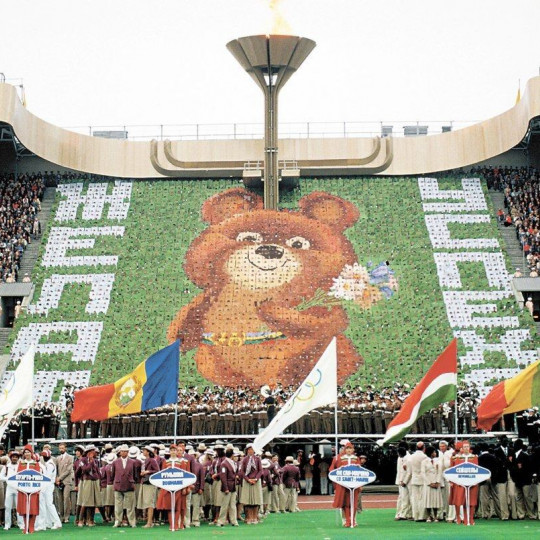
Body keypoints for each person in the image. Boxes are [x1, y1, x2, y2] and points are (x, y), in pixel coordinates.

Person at [156, 444, 192, 530]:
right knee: (169, 507)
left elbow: (184, 475)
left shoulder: (181, 462)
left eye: (174, 450)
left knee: (178, 507)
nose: (173, 452)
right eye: (171, 450)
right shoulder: (166, 462)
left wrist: (184, 488)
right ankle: (171, 525)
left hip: (178, 488)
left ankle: (176, 525)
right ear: (169, 451)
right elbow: (163, 474)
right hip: (168, 488)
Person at [330, 441, 361, 528]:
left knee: (354, 503)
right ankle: (346, 520)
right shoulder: (339, 458)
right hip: (343, 484)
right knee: (345, 503)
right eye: (347, 448)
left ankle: (353, 520)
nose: (349, 450)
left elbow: (360, 472)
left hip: (354, 484)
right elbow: (333, 471)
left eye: (350, 448)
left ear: (353, 449)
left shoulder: (356, 458)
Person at [449, 440, 478, 525]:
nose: (466, 448)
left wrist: (475, 481)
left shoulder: (474, 457)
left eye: (467, 447)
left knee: (471, 501)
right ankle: (458, 517)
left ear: (469, 447)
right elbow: (452, 469)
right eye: (464, 447)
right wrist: (451, 481)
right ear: (461, 448)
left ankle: (470, 518)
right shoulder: (456, 458)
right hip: (459, 482)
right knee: (459, 500)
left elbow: (476, 469)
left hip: (472, 482)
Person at [110, 444, 137, 528]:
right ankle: (118, 521)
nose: (123, 453)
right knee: (118, 506)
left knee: (130, 506)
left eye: (125, 451)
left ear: (128, 452)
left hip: (129, 485)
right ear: (120, 452)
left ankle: (132, 522)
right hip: (118, 485)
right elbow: (112, 474)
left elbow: (135, 475)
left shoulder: (133, 462)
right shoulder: (115, 462)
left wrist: (132, 481)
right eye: (122, 451)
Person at [35, 450, 62, 530]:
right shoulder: (48, 463)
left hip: (48, 485)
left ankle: (57, 522)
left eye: (45, 456)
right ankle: (49, 523)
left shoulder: (50, 464)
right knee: (46, 504)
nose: (44, 457)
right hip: (47, 485)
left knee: (49, 504)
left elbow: (47, 477)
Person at [16, 445, 40, 534]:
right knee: (24, 508)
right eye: (25, 452)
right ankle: (26, 527)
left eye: (28, 452)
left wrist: (38, 489)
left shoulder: (36, 463)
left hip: (33, 489)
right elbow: (18, 475)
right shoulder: (21, 463)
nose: (27, 454)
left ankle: (31, 526)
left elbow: (38, 476)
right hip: (23, 489)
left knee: (32, 508)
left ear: (31, 453)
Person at [78, 444, 102, 527]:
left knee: (93, 502)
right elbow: (85, 470)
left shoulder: (96, 460)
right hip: (87, 481)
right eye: (94, 451)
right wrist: (91, 462)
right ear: (90, 452)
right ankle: (80, 520)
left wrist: (100, 481)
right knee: (85, 501)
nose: (95, 452)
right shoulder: (82, 460)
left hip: (95, 481)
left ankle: (90, 520)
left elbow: (97, 472)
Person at [239, 443, 262, 524]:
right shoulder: (244, 459)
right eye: (249, 449)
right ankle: (248, 517)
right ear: (247, 450)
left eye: (252, 449)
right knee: (247, 501)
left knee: (256, 500)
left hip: (256, 481)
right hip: (247, 481)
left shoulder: (257, 459)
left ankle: (255, 517)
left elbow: (260, 470)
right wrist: (248, 479)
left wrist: (256, 479)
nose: (250, 451)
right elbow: (242, 471)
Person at [0, 450, 24, 530]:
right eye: (13, 457)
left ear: (18, 458)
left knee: (19, 507)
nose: (14, 458)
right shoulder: (6, 467)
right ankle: (7, 524)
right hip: (9, 488)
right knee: (7, 506)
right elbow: (1, 477)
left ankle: (21, 524)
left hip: (18, 488)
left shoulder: (21, 466)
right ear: (11, 458)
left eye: (16, 457)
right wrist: (7, 479)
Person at [138, 445, 159, 528]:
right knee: (147, 503)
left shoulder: (152, 460)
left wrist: (147, 471)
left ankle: (149, 522)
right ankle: (149, 521)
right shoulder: (145, 460)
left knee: (150, 504)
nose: (143, 451)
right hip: (145, 482)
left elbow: (157, 471)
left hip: (150, 484)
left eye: (144, 450)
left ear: (148, 452)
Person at [217, 447, 239, 527]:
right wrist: (226, 488)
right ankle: (221, 521)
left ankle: (234, 521)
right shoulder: (224, 463)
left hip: (233, 486)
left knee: (233, 505)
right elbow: (223, 477)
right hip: (227, 487)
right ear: (232, 455)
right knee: (224, 505)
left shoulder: (233, 463)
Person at [421, 445, 443, 523]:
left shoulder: (438, 461)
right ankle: (428, 516)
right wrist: (429, 483)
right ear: (430, 453)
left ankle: (436, 516)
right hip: (428, 483)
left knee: (435, 500)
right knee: (428, 500)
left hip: (436, 483)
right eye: (434, 452)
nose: (435, 453)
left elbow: (440, 472)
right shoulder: (424, 461)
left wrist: (437, 482)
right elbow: (423, 473)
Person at [408, 441, 427, 521]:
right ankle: (422, 516)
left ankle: (415, 515)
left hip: (414, 478)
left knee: (414, 498)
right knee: (422, 498)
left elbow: (409, 470)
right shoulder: (424, 457)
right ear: (424, 448)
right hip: (422, 479)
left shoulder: (411, 457)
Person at [55, 442, 74, 523]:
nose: (61, 449)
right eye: (60, 448)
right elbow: (55, 469)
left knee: (66, 498)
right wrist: (56, 479)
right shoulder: (57, 458)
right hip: (58, 482)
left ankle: (66, 517)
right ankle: (61, 516)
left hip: (66, 481)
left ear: (65, 448)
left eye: (62, 448)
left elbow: (68, 470)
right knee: (60, 499)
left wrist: (59, 478)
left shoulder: (70, 457)